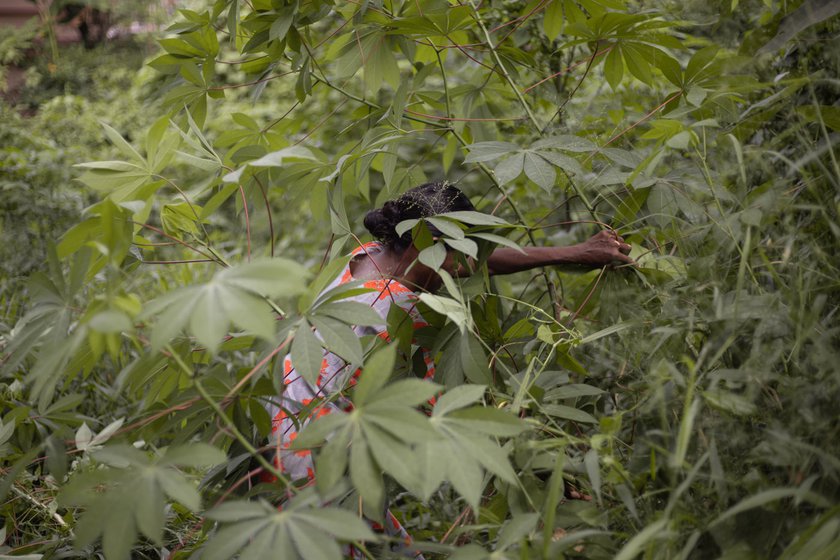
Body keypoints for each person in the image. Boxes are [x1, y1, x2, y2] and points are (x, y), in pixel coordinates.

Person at [262, 180, 633, 551]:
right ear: (430, 245)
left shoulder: (370, 255)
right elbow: (456, 412)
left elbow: (473, 260)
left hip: (286, 416)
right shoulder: (401, 310)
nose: (464, 264)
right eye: (456, 249)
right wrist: (541, 470)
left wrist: (576, 252)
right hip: (317, 455)